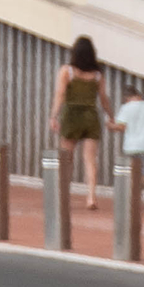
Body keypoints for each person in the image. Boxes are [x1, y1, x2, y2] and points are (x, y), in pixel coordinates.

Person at [51, 36, 107, 210]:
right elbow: (104, 98)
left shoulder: (67, 71)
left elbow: (60, 94)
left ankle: (64, 193)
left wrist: (53, 115)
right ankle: (91, 196)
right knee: (90, 159)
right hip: (90, 115)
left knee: (67, 157)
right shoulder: (97, 75)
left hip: (71, 116)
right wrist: (111, 115)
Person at [113, 86, 144, 207]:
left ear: (126, 98)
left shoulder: (125, 108)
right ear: (139, 95)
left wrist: (110, 126)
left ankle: (133, 197)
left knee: (132, 172)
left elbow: (121, 127)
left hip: (130, 146)